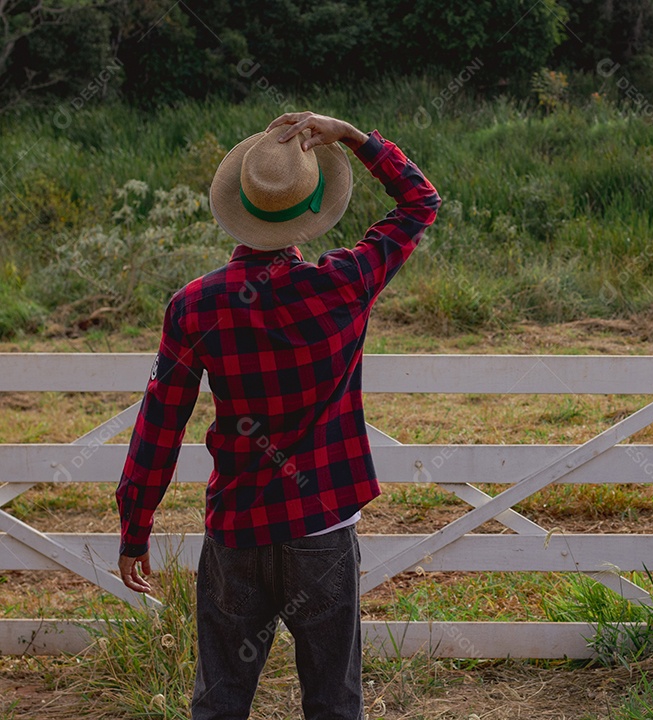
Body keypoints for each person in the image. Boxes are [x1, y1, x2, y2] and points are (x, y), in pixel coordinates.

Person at [115, 111, 441, 719]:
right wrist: (354, 137)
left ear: (239, 203)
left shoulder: (194, 306)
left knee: (220, 700)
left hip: (237, 529)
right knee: (333, 702)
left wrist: (136, 526)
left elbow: (160, 423)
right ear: (313, 206)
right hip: (321, 526)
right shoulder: (343, 284)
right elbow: (420, 201)